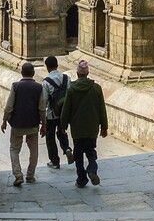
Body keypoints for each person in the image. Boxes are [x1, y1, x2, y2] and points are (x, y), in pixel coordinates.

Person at [60, 59, 108, 188]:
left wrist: (63, 126)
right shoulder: (96, 88)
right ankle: (92, 169)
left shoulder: (71, 90)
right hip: (92, 127)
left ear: (77, 73)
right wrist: (104, 127)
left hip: (77, 128)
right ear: (87, 73)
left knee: (78, 153)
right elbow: (102, 109)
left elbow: (66, 109)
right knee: (91, 151)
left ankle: (81, 178)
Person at [0, 61, 46, 187]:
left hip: (17, 123)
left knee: (14, 149)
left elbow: (9, 106)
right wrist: (44, 125)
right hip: (33, 123)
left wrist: (4, 120)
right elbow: (42, 108)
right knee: (34, 150)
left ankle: (18, 175)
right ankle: (30, 175)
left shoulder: (16, 86)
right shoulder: (39, 87)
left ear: (21, 73)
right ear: (33, 73)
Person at [42, 56, 71, 169]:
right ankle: (67, 148)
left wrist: (42, 117)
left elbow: (44, 100)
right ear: (57, 65)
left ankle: (54, 161)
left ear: (47, 67)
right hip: (64, 112)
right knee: (62, 131)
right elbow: (70, 95)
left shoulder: (46, 82)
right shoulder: (66, 78)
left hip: (51, 114)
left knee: (50, 137)